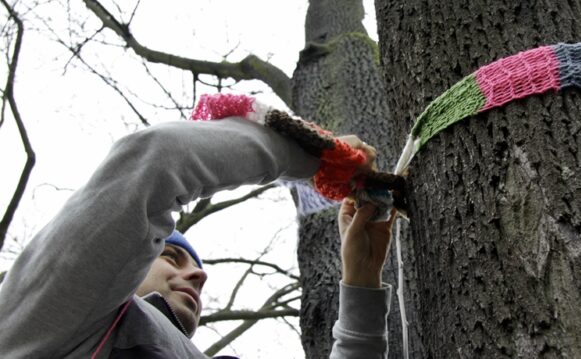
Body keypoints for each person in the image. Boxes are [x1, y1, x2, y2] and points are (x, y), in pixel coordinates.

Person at [0, 116, 393, 358]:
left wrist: (360, 284)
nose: (199, 277)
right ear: (125, 262)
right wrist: (319, 156)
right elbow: (156, 158)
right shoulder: (39, 319)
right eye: (172, 256)